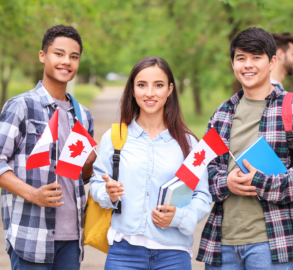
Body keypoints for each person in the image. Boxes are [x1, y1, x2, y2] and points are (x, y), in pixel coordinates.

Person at [196, 27, 293, 269]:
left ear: (272, 62)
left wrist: (262, 182)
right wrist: (227, 183)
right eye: (241, 58)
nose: (248, 65)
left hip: (273, 243)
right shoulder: (222, 114)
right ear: (233, 63)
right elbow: (204, 169)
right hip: (222, 244)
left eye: (256, 57)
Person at [0, 25, 95, 270]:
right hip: (31, 236)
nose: (67, 62)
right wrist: (33, 194)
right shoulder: (21, 106)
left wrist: (89, 164)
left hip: (72, 239)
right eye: (59, 54)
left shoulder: (83, 116)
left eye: (74, 57)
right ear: (42, 56)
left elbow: (77, 178)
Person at [90, 56, 212, 270]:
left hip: (173, 255)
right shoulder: (115, 137)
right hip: (123, 252)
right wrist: (107, 193)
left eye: (158, 85)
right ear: (132, 90)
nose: (149, 93)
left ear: (170, 89)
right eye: (141, 85)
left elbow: (202, 195)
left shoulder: (188, 143)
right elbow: (96, 184)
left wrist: (180, 217)